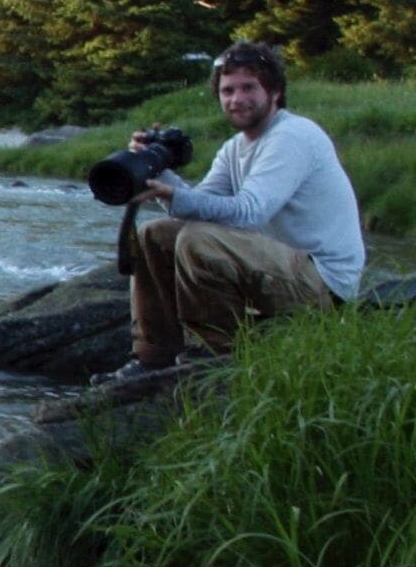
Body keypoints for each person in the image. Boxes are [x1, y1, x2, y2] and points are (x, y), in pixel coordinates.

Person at [116, 41, 363, 375]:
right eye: (227, 90)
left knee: (198, 240)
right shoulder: (235, 147)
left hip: (322, 284)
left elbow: (250, 212)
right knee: (154, 234)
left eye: (249, 88)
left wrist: (175, 196)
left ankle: (218, 356)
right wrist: (154, 169)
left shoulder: (293, 136)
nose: (236, 99)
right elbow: (198, 204)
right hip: (278, 265)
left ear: (274, 91)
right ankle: (152, 357)